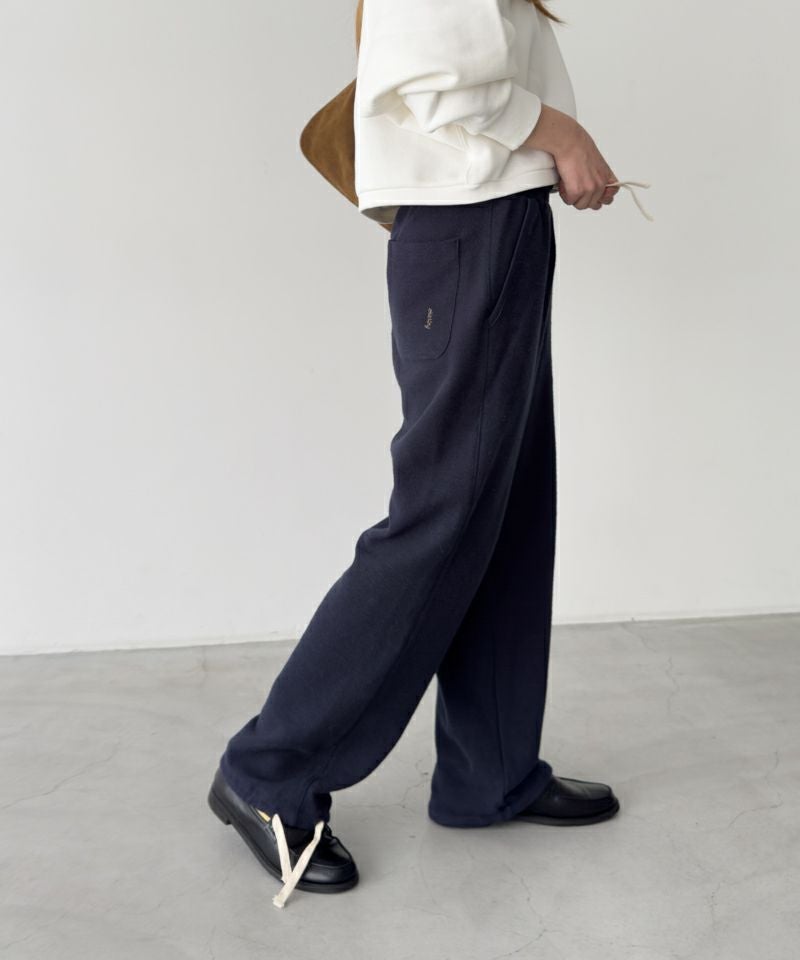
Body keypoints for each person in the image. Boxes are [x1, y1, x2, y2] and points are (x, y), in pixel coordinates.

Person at [209, 0, 631, 910]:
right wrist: (564, 134)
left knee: (506, 507)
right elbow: (436, 74)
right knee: (442, 516)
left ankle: (491, 771)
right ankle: (267, 772)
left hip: (494, 220)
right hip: (467, 226)